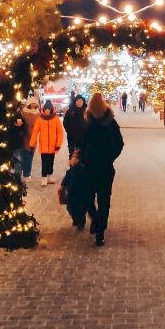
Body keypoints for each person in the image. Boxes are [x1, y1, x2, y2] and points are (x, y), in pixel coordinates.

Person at [79, 92, 123, 246]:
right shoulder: (111, 122)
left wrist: (83, 157)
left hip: (89, 167)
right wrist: (110, 157)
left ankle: (95, 219)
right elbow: (119, 144)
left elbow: (81, 143)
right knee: (104, 200)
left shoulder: (87, 123)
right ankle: (100, 232)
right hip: (105, 168)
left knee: (88, 197)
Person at [29, 100, 65, 185]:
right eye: (46, 109)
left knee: (51, 162)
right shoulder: (40, 119)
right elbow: (35, 132)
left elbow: (60, 132)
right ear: (44, 109)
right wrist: (32, 143)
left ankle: (50, 177)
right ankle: (44, 178)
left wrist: (58, 144)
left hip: (53, 146)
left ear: (51, 110)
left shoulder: (56, 119)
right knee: (44, 162)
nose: (47, 111)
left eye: (49, 109)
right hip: (43, 146)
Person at [59, 151, 95, 231]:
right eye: (73, 157)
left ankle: (81, 221)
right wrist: (62, 186)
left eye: (76, 158)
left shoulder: (84, 169)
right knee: (70, 208)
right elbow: (66, 178)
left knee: (82, 209)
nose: (73, 159)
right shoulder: (71, 170)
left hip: (82, 193)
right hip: (72, 193)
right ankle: (76, 219)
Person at [63, 93, 88, 158]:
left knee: (81, 156)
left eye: (81, 101)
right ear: (75, 102)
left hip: (83, 138)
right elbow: (65, 123)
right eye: (78, 101)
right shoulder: (70, 111)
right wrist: (70, 132)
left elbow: (89, 123)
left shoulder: (86, 112)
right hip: (72, 138)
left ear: (83, 102)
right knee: (73, 155)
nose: (79, 102)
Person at [11, 111, 33, 180]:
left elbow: (24, 128)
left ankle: (18, 176)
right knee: (16, 160)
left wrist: (21, 124)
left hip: (18, 144)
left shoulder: (19, 115)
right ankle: (17, 175)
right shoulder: (12, 115)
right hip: (13, 143)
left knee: (18, 161)